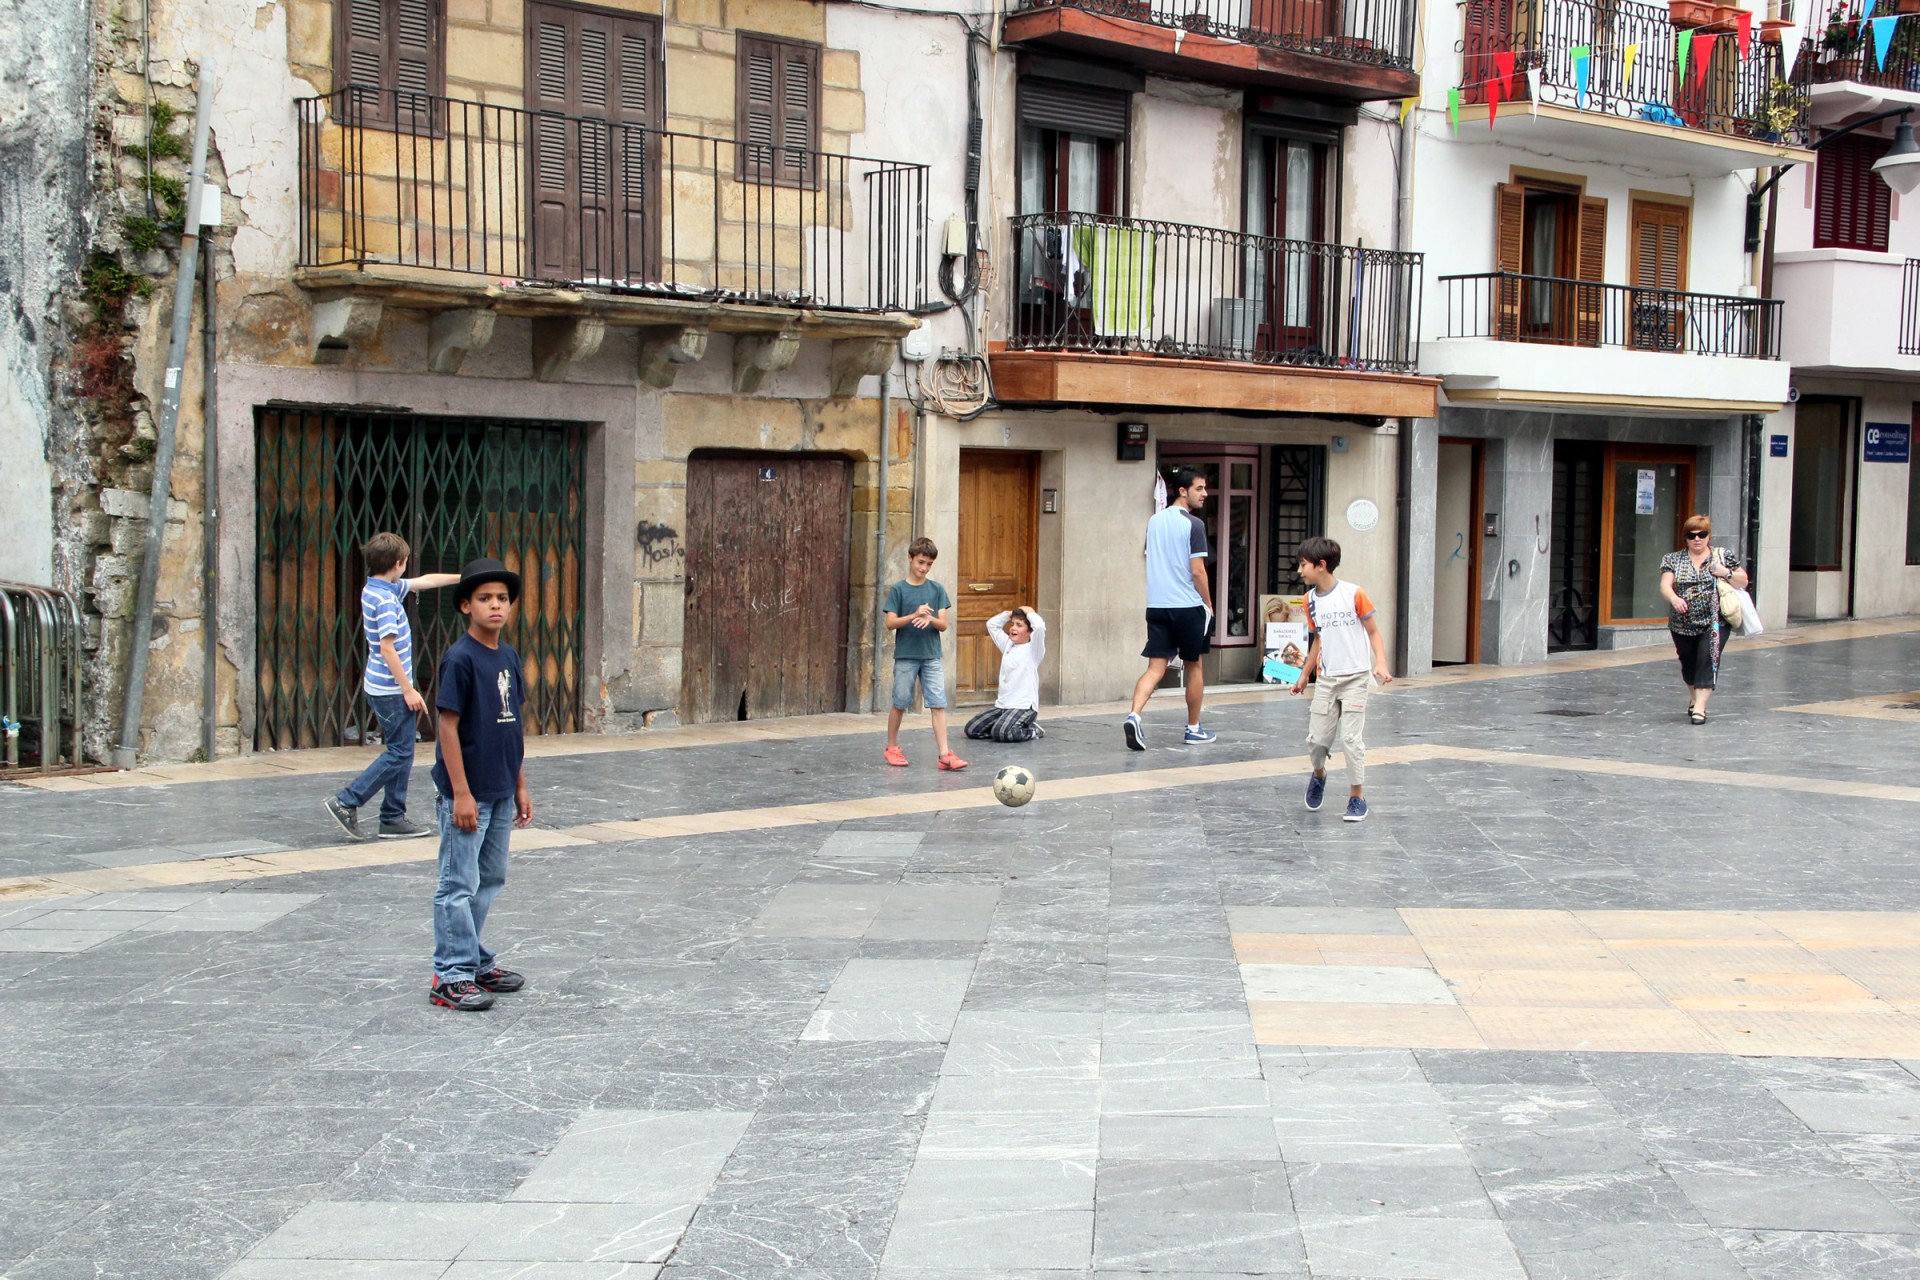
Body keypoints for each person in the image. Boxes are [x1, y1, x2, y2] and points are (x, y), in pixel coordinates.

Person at [427, 557, 534, 1013]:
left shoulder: (507, 656)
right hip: (468, 794)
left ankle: (472, 959)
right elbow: (447, 727)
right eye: (485, 598)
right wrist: (461, 793)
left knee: (490, 878)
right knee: (459, 883)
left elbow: (513, 727)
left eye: (503, 598)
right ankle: (450, 974)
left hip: (500, 787)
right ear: (466, 606)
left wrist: (519, 784)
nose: (496, 606)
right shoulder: (460, 658)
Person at [324, 533, 461, 842]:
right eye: (406, 561)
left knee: (402, 750)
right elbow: (387, 649)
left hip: (382, 685)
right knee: (400, 753)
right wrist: (408, 689)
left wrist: (463, 578)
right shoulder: (386, 601)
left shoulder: (376, 588)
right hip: (390, 689)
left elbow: (424, 582)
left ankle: (393, 817)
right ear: (398, 563)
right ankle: (347, 800)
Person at [1290, 536, 1392, 822]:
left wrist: (1380, 662)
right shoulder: (1309, 601)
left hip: (1356, 678)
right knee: (1316, 741)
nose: (1300, 571)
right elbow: (1318, 639)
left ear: (1321, 565)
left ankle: (1357, 797)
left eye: (1303, 565)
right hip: (1326, 680)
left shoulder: (1354, 594)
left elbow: (1373, 631)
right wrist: (1304, 675)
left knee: (1351, 739)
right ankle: (1319, 774)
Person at [1124, 466, 1215, 750]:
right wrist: (1208, 603)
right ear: (1183, 491)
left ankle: (1134, 715)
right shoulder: (1194, 525)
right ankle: (1194, 728)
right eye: (1199, 488)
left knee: (1155, 667)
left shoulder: (1154, 521)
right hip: (1187, 606)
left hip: (1157, 605)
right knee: (1194, 666)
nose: (1205, 493)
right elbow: (1197, 570)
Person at [884, 537, 967, 770]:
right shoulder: (898, 590)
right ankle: (892, 747)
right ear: (910, 558)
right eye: (921, 562)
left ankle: (944, 754)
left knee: (938, 703)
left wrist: (929, 618)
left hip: (931, 656)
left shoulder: (937, 589)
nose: (924, 568)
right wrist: (913, 615)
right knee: (900, 702)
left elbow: (943, 624)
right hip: (906, 656)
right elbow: (890, 623)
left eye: (929, 564)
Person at [1660, 514, 1747, 725]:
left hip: (1715, 621)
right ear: (1685, 538)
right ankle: (1694, 698)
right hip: (1682, 622)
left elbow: (1743, 580)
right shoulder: (1673, 559)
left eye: (1702, 534)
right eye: (1692, 535)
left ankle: (1700, 708)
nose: (1697, 539)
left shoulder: (1722, 556)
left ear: (1709, 536)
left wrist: (1724, 572)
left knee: (1708, 661)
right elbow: (1665, 584)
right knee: (1688, 663)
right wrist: (1674, 598)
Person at [964, 607, 1047, 742]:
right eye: (1012, 624)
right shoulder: (1008, 645)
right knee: (972, 729)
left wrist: (1029, 612)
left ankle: (1032, 731)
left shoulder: (1034, 649)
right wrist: (1009, 614)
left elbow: (1040, 627)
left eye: (1019, 625)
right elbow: (992, 625)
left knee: (1002, 733)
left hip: (1024, 707)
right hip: (1002, 706)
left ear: (1030, 632)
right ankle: (1005, 726)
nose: (1013, 628)